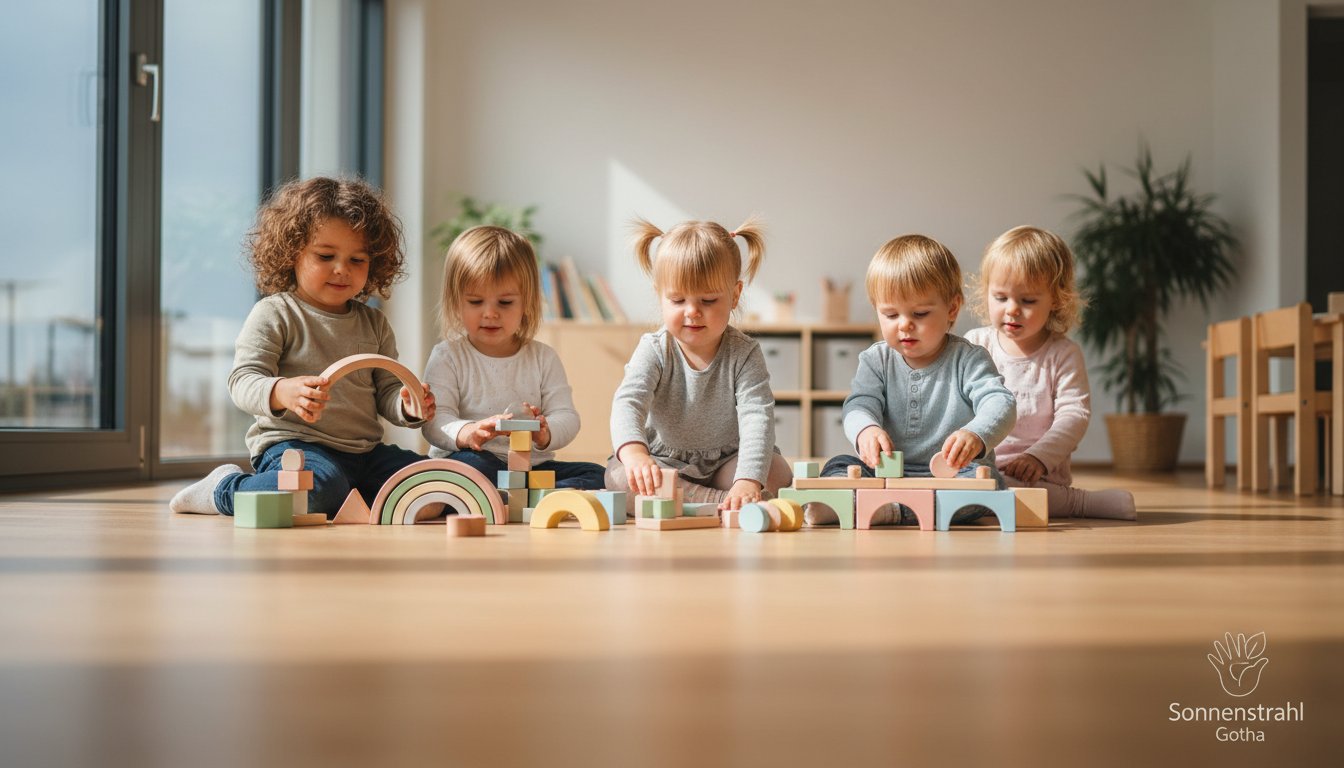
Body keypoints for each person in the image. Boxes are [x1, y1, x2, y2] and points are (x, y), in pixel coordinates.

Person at [169, 177, 435, 516]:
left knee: (431, 480)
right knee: (315, 490)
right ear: (292, 253)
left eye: (358, 260)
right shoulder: (276, 313)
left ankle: (355, 500)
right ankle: (222, 490)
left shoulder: (374, 323)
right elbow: (242, 380)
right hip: (295, 448)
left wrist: (408, 405)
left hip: (366, 453)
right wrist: (282, 391)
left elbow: (387, 391)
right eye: (326, 255)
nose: (342, 269)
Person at [814, 234, 1016, 526]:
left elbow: (1000, 402)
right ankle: (849, 502)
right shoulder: (875, 360)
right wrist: (866, 431)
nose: (905, 324)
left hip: (952, 473)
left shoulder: (969, 358)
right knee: (838, 466)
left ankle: (889, 509)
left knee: (985, 485)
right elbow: (859, 404)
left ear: (952, 309)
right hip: (887, 471)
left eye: (920, 313)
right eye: (891, 314)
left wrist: (976, 433)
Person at [607, 217, 793, 510]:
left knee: (777, 473)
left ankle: (727, 497)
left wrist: (747, 481)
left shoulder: (744, 353)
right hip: (664, 461)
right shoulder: (655, 349)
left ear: (734, 295)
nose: (692, 312)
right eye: (678, 300)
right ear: (660, 296)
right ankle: (721, 502)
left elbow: (757, 417)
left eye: (707, 300)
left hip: (726, 462)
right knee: (618, 479)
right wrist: (635, 455)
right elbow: (628, 402)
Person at [966, 225, 1136, 519]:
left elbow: (1074, 416)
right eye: (1000, 297)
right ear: (986, 294)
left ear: (1056, 299)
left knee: (1019, 494)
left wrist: (1038, 457)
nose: (1012, 310)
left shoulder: (1063, 354)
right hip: (976, 467)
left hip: (1037, 476)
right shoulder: (974, 344)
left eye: (1028, 300)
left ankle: (1079, 503)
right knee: (959, 487)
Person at [420, 226, 605, 488]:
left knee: (597, 474)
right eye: (475, 302)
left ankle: (520, 496)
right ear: (456, 301)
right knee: (469, 468)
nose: (490, 313)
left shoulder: (543, 358)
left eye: (504, 303)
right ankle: (525, 497)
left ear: (527, 303)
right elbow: (435, 421)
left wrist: (545, 431)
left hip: (530, 468)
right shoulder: (447, 356)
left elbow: (567, 416)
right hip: (472, 460)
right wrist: (467, 432)